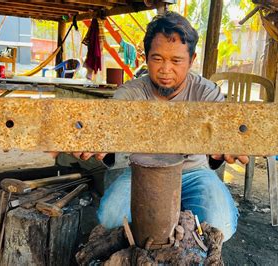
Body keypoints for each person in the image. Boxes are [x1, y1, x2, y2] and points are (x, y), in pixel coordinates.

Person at [52, 11, 248, 242]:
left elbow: (228, 132)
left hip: (194, 172)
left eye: (176, 61)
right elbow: (106, 128)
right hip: (142, 172)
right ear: (146, 57)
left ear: (192, 60)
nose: (165, 69)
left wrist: (231, 144)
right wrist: (91, 141)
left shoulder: (206, 92)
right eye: (157, 59)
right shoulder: (130, 93)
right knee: (111, 219)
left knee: (218, 224)